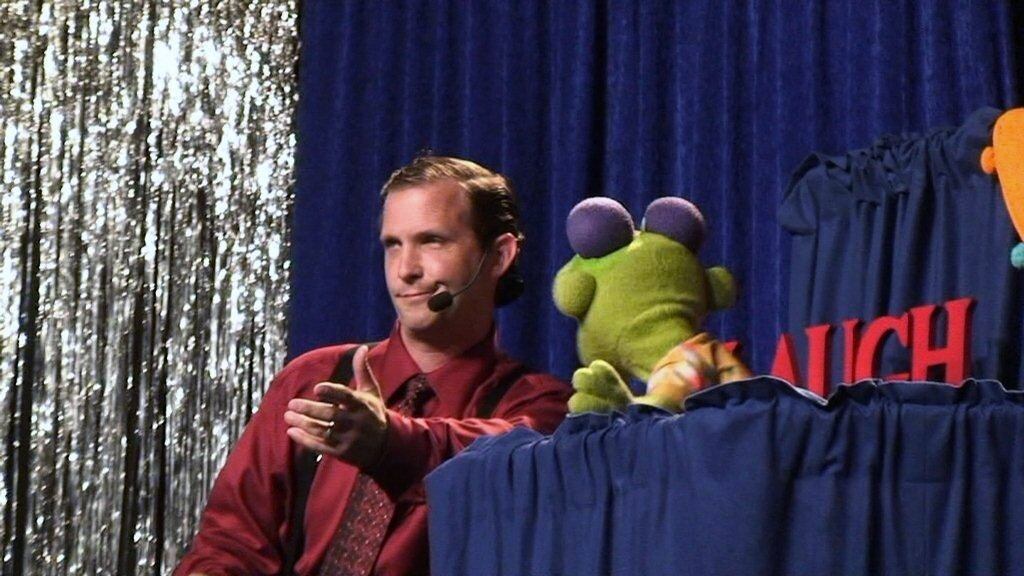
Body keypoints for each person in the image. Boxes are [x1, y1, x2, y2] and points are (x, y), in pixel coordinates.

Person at [176, 156, 571, 575]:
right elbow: (232, 543)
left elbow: (497, 461)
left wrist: (388, 444)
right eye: (393, 245)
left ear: (499, 256)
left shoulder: (543, 406)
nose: (405, 270)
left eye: (432, 241)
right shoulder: (314, 379)